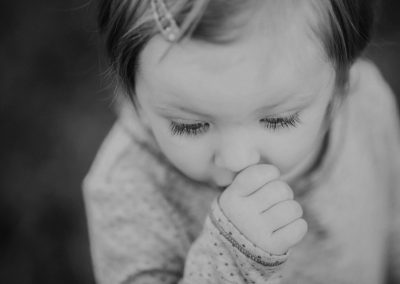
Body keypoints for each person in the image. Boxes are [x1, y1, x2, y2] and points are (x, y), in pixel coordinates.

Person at [83, 0, 400, 283]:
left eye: (279, 120)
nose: (238, 160)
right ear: (134, 99)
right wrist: (231, 263)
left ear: (339, 86)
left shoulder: (365, 103)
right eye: (189, 126)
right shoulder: (127, 190)